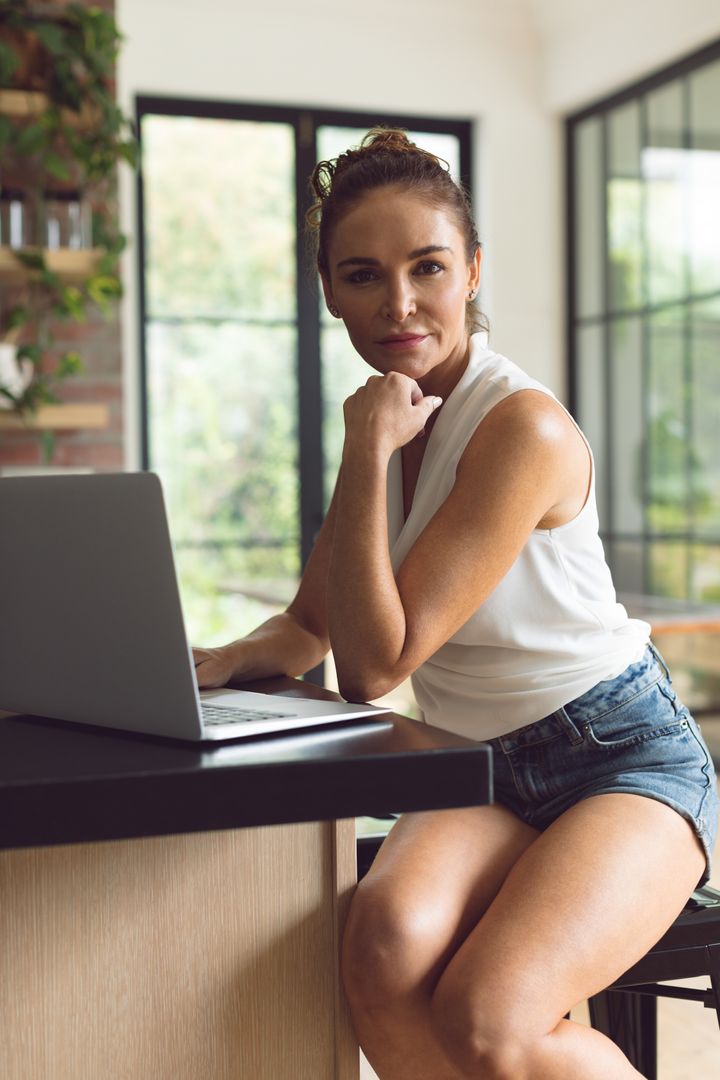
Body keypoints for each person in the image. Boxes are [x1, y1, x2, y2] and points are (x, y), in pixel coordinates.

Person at [192, 129, 720, 1079]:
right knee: (381, 952)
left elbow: (375, 667)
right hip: (477, 768)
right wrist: (215, 663)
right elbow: (312, 624)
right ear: (329, 292)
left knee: (490, 1018)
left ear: (472, 271)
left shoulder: (520, 425)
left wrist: (363, 451)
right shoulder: (394, 419)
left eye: (427, 267)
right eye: (362, 275)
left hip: (620, 757)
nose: (398, 304)